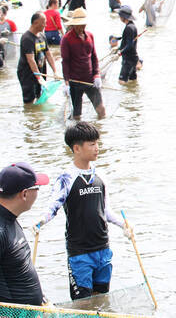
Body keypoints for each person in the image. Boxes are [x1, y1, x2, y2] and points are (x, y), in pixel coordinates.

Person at [35, 122, 132, 300]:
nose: (97, 148)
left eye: (97, 143)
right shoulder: (66, 178)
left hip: (103, 248)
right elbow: (53, 206)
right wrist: (40, 222)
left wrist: (124, 225)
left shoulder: (100, 177)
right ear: (77, 148)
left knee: (101, 300)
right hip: (79, 253)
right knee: (83, 304)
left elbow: (106, 211)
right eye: (92, 144)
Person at [0, 162, 49, 305]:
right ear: (25, 194)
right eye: (37, 188)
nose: (38, 192)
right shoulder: (2, 229)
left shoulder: (10, 217)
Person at [60, 8, 105, 120]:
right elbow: (65, 62)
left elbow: (94, 57)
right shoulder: (66, 39)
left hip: (90, 80)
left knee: (101, 110)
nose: (82, 27)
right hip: (75, 81)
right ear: (73, 25)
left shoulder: (90, 36)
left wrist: (97, 75)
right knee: (76, 115)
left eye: (84, 25)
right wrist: (66, 83)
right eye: (79, 25)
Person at [17, 11, 59, 105]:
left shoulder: (42, 36)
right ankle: (30, 117)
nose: (45, 25)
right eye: (43, 22)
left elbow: (48, 54)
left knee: (40, 97)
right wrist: (38, 77)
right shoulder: (27, 38)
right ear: (35, 23)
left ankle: (39, 118)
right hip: (28, 74)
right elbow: (31, 60)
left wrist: (55, 71)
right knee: (30, 102)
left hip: (40, 71)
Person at [115, 6, 139, 85]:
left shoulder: (128, 28)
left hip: (129, 60)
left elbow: (129, 45)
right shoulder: (132, 26)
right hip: (133, 58)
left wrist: (120, 53)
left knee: (121, 81)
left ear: (123, 17)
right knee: (132, 81)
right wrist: (118, 48)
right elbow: (127, 43)